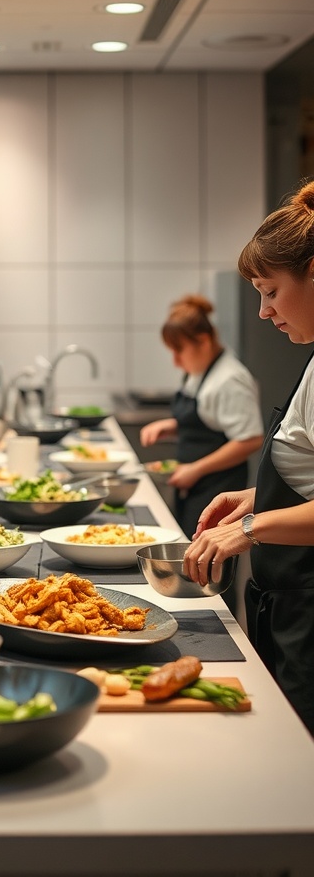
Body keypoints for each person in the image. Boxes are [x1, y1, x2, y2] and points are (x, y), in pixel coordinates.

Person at [183, 178, 314, 735]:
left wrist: (253, 528)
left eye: (269, 291)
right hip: (287, 606)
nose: (263, 312)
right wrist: (258, 497)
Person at [140, 295, 263, 539]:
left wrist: (196, 469)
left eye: (179, 351)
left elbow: (250, 439)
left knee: (210, 561)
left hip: (219, 488)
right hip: (195, 486)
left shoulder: (230, 379)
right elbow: (209, 419)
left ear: (203, 341)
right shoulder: (198, 371)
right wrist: (173, 426)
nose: (176, 362)